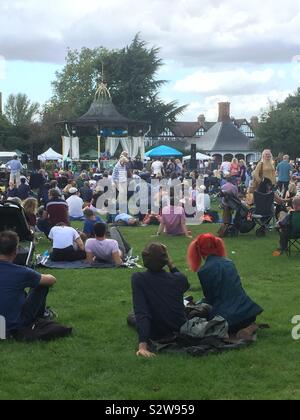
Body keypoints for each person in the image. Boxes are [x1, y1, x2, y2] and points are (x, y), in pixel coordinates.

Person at [187, 233, 263, 334]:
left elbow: (210, 298)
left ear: (199, 250)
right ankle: (250, 326)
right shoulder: (229, 263)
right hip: (248, 313)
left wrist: (198, 304)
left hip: (227, 319)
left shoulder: (204, 271)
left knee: (198, 322)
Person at [128, 243, 190, 358]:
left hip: (156, 331)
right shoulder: (178, 279)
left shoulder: (138, 279)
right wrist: (170, 263)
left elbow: (142, 312)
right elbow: (184, 284)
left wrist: (142, 346)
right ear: (165, 260)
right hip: (179, 326)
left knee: (132, 316)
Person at [0, 231, 56, 337]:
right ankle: (40, 316)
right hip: (13, 325)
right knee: (42, 285)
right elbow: (51, 280)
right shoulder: (21, 272)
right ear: (15, 251)